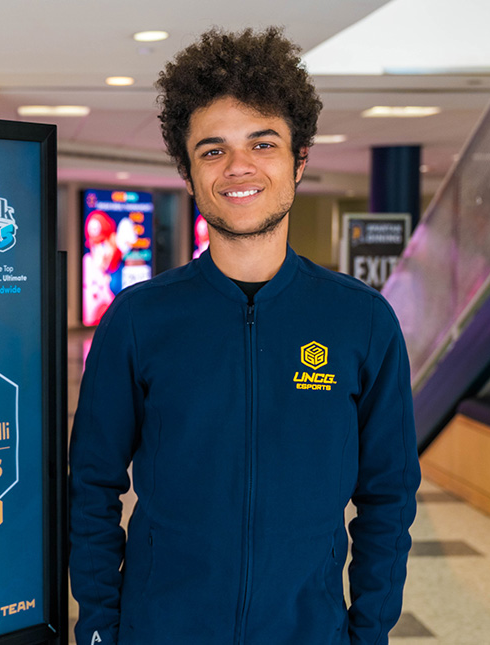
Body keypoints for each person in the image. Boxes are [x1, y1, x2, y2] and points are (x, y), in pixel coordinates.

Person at [68, 27, 420, 645]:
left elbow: (388, 497)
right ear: (188, 172)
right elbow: (92, 486)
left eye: (263, 143)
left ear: (299, 160)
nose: (239, 167)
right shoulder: (138, 319)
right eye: (213, 150)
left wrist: (368, 634)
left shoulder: (362, 321)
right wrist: (100, 629)